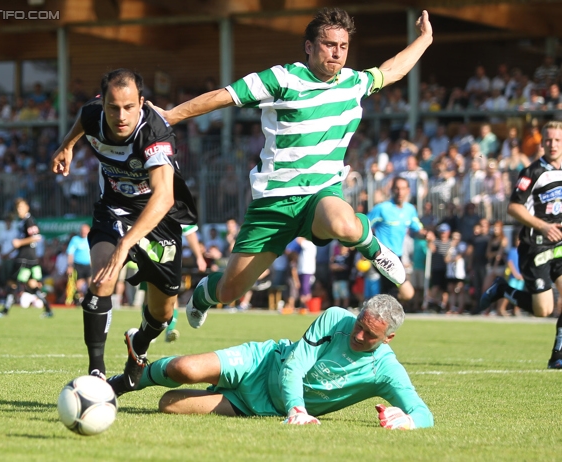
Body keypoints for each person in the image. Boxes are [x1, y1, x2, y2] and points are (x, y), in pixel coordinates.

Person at [150, 8, 433, 330]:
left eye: (342, 46)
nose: (336, 52)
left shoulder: (355, 82)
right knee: (230, 290)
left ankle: (374, 249)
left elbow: (393, 70)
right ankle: (203, 294)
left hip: (321, 193)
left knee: (346, 224)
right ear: (309, 46)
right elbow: (223, 96)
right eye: (328, 44)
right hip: (273, 202)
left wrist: (425, 39)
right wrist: (172, 116)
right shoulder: (282, 79)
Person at [50, 69, 198, 393]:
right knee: (102, 278)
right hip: (113, 208)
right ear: (103, 105)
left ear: (142, 103)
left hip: (159, 217)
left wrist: (124, 248)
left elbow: (164, 197)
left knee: (162, 312)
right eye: (114, 107)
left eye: (129, 107)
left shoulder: (155, 133)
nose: (121, 115)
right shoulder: (93, 114)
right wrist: (67, 145)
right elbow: (84, 119)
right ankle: (96, 375)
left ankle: (138, 343)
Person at [115, 294, 433, 429]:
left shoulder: (387, 372)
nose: (358, 335)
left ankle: (208, 389)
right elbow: (296, 364)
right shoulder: (337, 319)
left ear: (388, 338)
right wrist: (297, 408)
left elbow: (424, 414)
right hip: (263, 362)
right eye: (359, 325)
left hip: (258, 406)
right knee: (183, 369)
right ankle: (127, 380)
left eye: (369, 335)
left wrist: (406, 421)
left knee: (169, 404)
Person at [477, 121, 562, 368]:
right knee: (543, 310)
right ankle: (504, 290)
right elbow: (513, 207)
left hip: (560, 246)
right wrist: (543, 226)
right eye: (548, 140)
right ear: (542, 142)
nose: (553, 144)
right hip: (536, 247)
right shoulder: (532, 172)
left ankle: (557, 356)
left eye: (557, 140)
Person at [0, 198, 54, 319]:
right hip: (29, 258)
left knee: (12, 282)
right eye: (18, 208)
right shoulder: (22, 222)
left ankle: (4, 311)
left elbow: (36, 237)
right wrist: (9, 252)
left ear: (27, 207)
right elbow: (19, 243)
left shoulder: (29, 220)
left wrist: (19, 243)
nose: (19, 210)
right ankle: (48, 309)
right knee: (32, 284)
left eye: (21, 207)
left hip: (25, 257)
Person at [368, 177, 424, 301]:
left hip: (397, 256)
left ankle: (381, 312)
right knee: (402, 290)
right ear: (392, 190)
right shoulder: (382, 208)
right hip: (381, 255)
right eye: (397, 188)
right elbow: (365, 226)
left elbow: (418, 229)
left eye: (403, 188)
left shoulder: (410, 210)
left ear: (408, 190)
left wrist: (427, 234)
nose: (400, 192)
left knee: (394, 292)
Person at [66, 223, 92, 304]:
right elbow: (70, 253)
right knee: (78, 283)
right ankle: (80, 299)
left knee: (90, 282)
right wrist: (70, 265)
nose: (84, 233)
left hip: (89, 265)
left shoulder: (91, 239)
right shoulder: (75, 239)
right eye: (82, 231)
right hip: (78, 264)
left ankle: (90, 299)